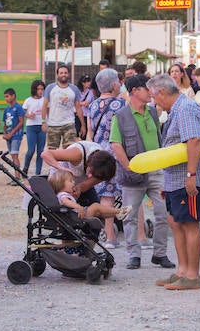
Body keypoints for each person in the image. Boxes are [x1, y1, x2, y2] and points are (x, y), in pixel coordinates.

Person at [146, 73, 200, 291]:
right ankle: (183, 271)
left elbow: (194, 141)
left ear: (162, 93)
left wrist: (191, 175)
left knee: (189, 224)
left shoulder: (185, 109)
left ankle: (192, 276)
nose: (154, 102)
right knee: (177, 223)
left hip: (189, 180)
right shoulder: (178, 109)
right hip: (176, 180)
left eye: (155, 97)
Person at [109, 74, 175, 270]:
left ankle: (160, 253)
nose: (151, 92)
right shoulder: (120, 116)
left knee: (162, 213)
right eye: (147, 89)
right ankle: (134, 255)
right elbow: (116, 144)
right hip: (133, 175)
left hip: (156, 171)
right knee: (129, 216)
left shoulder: (153, 112)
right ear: (135, 91)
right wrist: (129, 166)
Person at [85, 68, 126, 247]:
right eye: (117, 80)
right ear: (112, 84)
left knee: (106, 196)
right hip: (116, 154)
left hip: (98, 154)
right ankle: (134, 235)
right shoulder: (121, 105)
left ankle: (110, 237)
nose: (119, 83)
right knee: (129, 194)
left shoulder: (92, 105)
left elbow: (90, 131)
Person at [40, 140, 118, 212]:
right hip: (61, 181)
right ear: (89, 163)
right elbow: (45, 154)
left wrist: (79, 188)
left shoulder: (103, 167)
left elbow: (86, 184)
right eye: (90, 172)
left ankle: (117, 213)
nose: (89, 175)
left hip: (75, 182)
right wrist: (62, 168)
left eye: (93, 175)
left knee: (96, 209)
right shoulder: (77, 154)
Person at [49, 169, 130, 221]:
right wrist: (77, 206)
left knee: (99, 212)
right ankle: (118, 211)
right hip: (77, 216)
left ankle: (117, 215)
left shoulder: (64, 194)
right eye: (70, 181)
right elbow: (65, 202)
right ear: (61, 184)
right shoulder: (62, 195)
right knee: (95, 206)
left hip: (76, 215)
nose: (73, 182)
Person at [43, 64, 83, 150]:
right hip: (53, 124)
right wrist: (43, 122)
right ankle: (55, 164)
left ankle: (66, 164)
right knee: (52, 151)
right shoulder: (50, 88)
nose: (63, 74)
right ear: (57, 75)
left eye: (65, 73)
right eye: (61, 73)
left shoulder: (74, 89)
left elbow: (78, 108)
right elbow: (44, 105)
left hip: (69, 124)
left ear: (68, 74)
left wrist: (83, 124)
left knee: (70, 150)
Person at [1, 88, 25, 183]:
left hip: (16, 135)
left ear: (13, 96)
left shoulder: (18, 107)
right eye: (5, 97)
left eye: (7, 96)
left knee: (15, 155)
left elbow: (21, 122)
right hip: (9, 136)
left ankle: (17, 177)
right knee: (12, 155)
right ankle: (16, 177)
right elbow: (5, 123)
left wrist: (11, 133)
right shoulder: (7, 109)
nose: (6, 98)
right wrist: (5, 133)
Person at [22, 80, 46, 176]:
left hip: (42, 127)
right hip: (31, 126)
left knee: (40, 151)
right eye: (38, 89)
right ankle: (25, 168)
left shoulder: (45, 100)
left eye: (42, 89)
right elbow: (22, 112)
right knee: (31, 150)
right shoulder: (28, 100)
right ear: (34, 89)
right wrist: (28, 115)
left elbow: (48, 111)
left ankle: (38, 173)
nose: (40, 91)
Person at [76, 74, 96, 139]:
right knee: (76, 133)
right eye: (86, 81)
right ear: (82, 83)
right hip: (77, 114)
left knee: (84, 134)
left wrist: (88, 104)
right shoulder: (77, 91)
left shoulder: (90, 92)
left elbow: (93, 103)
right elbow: (74, 102)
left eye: (89, 81)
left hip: (86, 114)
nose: (88, 83)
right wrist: (82, 103)